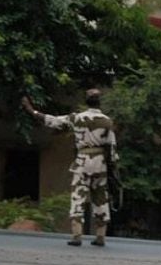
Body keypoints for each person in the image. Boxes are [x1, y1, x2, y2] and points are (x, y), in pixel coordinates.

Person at [21, 89, 118, 247]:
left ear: (86, 101)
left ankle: (77, 235)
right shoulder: (107, 121)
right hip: (100, 163)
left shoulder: (77, 118)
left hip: (82, 161)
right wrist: (112, 168)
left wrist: (32, 110)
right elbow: (112, 147)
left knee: (78, 196)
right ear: (100, 102)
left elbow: (52, 121)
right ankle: (100, 237)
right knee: (101, 198)